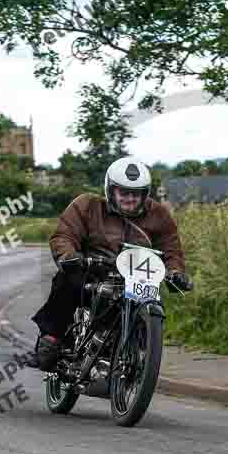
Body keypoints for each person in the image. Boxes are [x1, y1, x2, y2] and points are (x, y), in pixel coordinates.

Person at [28, 156, 192, 370]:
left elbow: (171, 250)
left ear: (145, 194)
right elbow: (64, 236)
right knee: (67, 280)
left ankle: (136, 354)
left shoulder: (159, 215)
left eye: (136, 193)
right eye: (123, 192)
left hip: (137, 280)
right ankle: (52, 338)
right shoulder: (87, 206)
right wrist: (69, 256)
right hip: (93, 272)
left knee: (152, 306)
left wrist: (175, 272)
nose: (129, 198)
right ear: (111, 190)